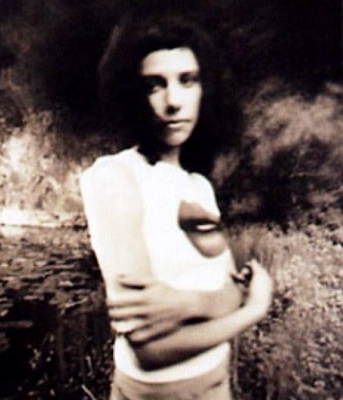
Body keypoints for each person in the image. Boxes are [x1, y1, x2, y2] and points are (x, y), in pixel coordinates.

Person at [79, 10, 274, 400]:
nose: (173, 102)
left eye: (188, 80)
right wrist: (254, 310)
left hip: (218, 388)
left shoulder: (197, 185)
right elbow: (152, 352)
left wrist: (186, 303)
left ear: (205, 88)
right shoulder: (115, 177)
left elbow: (230, 288)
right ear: (132, 93)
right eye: (155, 85)